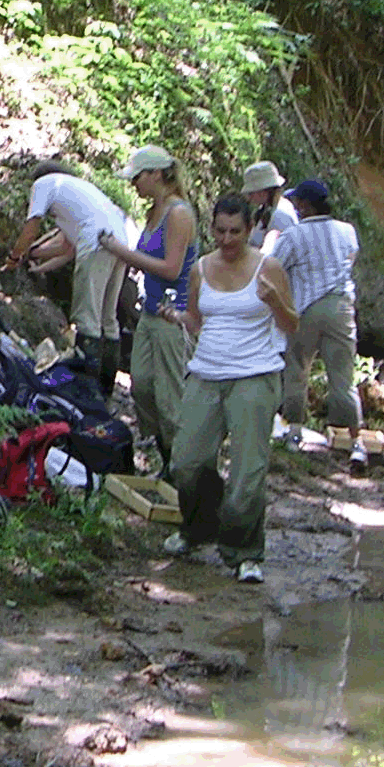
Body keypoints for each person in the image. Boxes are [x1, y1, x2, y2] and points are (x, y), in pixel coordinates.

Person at [163, 194, 299, 585]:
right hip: (206, 372)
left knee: (247, 469)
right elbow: (197, 318)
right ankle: (199, 528)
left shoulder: (268, 267)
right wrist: (175, 316)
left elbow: (293, 325)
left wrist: (275, 302)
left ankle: (244, 551)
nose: (226, 239)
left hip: (255, 375)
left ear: (250, 228)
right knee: (186, 461)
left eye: (235, 232)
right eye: (220, 231)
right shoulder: (201, 268)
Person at [96, 145, 197, 470]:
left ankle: (183, 470)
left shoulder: (179, 213)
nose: (133, 184)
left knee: (170, 397)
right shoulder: (155, 211)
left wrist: (119, 251)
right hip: (150, 312)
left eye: (137, 177)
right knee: (142, 388)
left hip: (172, 316)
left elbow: (170, 268)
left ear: (156, 174)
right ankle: (169, 458)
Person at [1, 161, 130, 392]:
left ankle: (86, 388)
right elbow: (66, 250)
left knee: (87, 318)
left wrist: (14, 256)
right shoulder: (79, 194)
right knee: (108, 319)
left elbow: (31, 228)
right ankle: (105, 387)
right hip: (120, 244)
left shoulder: (44, 183)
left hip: (96, 243)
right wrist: (36, 266)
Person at [272, 179, 365, 465]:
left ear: (306, 205)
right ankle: (356, 441)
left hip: (304, 310)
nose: (296, 207)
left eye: (298, 202)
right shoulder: (346, 231)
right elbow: (351, 257)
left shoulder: (293, 236)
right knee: (343, 378)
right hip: (340, 307)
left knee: (297, 372)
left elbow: (274, 267)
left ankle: (295, 434)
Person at [242, 160, 299, 254]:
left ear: (264, 191)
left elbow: (276, 255)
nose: (249, 198)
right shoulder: (266, 210)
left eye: (251, 193)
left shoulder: (280, 215)